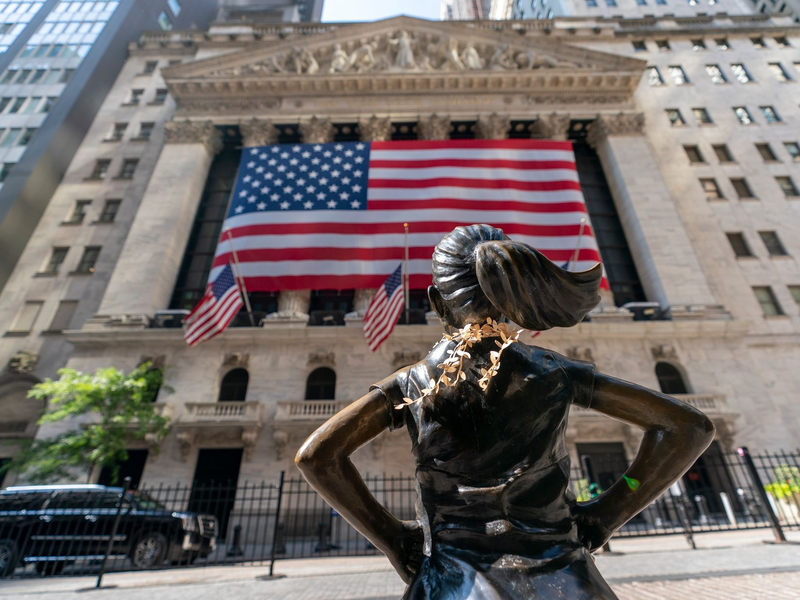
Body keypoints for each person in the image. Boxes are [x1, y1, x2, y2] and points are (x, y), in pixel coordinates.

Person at [296, 225, 715, 599]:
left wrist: (393, 538)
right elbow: (688, 427)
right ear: (513, 299)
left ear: (437, 303)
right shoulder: (555, 372)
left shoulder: (413, 384)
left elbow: (316, 456)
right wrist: (609, 512)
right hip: (565, 578)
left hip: (453, 582)